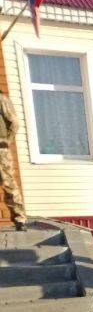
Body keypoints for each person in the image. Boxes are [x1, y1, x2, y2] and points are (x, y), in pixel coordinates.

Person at [0, 89, 25, 231]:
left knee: (9, 184)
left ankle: (19, 219)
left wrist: (6, 141)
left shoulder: (1, 99)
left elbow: (14, 122)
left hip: (1, 149)